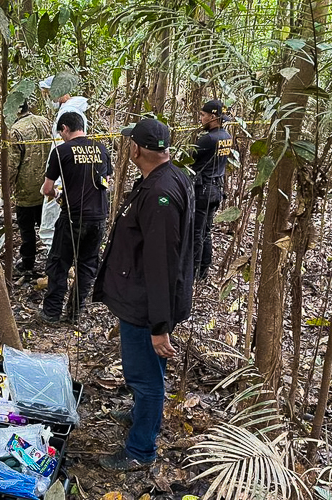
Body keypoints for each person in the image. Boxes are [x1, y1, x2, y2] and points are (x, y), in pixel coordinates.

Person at [92, 118, 194, 471]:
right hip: (147, 300)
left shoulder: (159, 194)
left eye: (129, 144)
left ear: (136, 149)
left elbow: (161, 261)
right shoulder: (171, 177)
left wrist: (159, 324)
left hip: (146, 307)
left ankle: (140, 450)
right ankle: (139, 415)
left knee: (146, 378)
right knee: (150, 372)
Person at [39, 111, 111, 324]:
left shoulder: (62, 151)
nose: (61, 137)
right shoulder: (102, 148)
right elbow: (105, 181)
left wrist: (57, 194)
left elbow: (47, 188)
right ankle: (74, 313)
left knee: (59, 263)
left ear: (65, 129)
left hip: (73, 218)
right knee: (87, 265)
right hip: (98, 217)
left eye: (61, 133)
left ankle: (51, 313)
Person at [37, 76, 90, 254]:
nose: (47, 97)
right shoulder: (69, 109)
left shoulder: (69, 112)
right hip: (66, 169)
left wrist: (56, 177)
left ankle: (57, 256)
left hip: (63, 171)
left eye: (48, 93)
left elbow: (64, 146)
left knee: (53, 214)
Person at [8, 100, 53, 274]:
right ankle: (52, 260)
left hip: (26, 190)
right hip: (48, 185)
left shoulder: (16, 131)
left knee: (27, 231)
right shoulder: (44, 121)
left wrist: (6, 190)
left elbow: (11, 165)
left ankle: (28, 262)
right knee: (47, 224)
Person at [191, 99, 232, 280]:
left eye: (202, 115)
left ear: (213, 117)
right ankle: (203, 271)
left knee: (197, 233)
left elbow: (189, 159)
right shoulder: (226, 137)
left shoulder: (208, 139)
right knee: (205, 231)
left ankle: (193, 273)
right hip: (216, 189)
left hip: (204, 191)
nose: (200, 118)